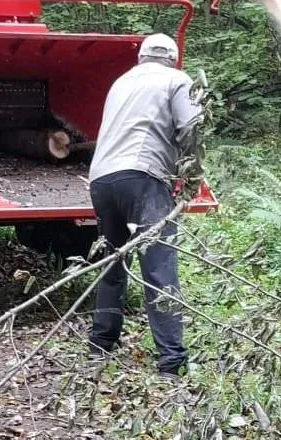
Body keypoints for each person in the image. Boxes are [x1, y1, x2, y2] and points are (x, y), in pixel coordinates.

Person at [86, 33, 204, 376]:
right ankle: (172, 362)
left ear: (141, 57)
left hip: (102, 179)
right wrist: (193, 176)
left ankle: (100, 344)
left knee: (113, 262)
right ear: (173, 57)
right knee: (159, 268)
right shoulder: (177, 80)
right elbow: (191, 129)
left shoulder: (121, 83)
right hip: (143, 177)